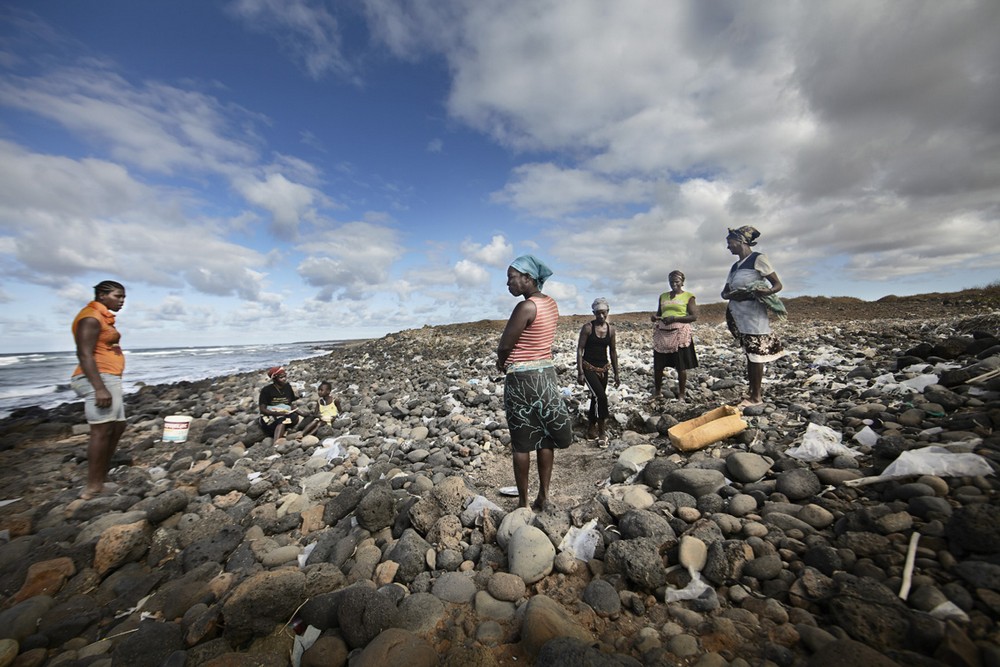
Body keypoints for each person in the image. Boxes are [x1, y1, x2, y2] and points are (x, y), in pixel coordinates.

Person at [497, 255, 573, 511]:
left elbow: (506, 345)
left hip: (522, 380)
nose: (508, 283)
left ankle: (523, 502)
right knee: (545, 438)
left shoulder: (525, 307)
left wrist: (501, 362)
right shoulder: (550, 304)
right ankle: (544, 495)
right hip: (546, 376)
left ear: (527, 278)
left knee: (522, 442)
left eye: (511, 277)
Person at [71, 280, 128, 500]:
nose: (122, 301)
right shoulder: (90, 318)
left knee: (117, 426)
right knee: (102, 431)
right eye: (117, 296)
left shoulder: (103, 318)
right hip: (99, 378)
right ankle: (93, 486)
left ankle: (101, 479)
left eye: (123, 297)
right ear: (102, 296)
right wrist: (99, 388)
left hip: (108, 377)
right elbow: (84, 354)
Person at [721, 226, 785, 407]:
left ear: (740, 241)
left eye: (729, 243)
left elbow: (777, 285)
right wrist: (731, 295)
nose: (728, 247)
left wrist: (765, 292)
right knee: (749, 353)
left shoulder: (758, 259)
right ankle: (751, 392)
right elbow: (724, 292)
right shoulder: (735, 266)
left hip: (754, 314)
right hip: (738, 314)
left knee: (756, 354)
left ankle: (756, 397)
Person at [650, 270, 699, 401]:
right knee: (659, 365)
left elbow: (693, 316)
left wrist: (675, 318)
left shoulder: (689, 296)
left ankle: (681, 394)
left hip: (680, 332)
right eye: (671, 282)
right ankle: (658, 392)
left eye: (677, 281)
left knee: (681, 365)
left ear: (682, 282)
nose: (674, 284)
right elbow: (659, 313)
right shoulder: (663, 296)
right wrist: (655, 317)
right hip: (663, 332)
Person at [576, 297, 620, 443]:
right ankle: (602, 430)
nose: (601, 316)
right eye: (598, 313)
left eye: (603, 313)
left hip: (604, 368)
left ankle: (590, 428)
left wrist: (616, 373)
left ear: (608, 312)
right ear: (594, 313)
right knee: (601, 397)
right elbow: (580, 349)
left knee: (596, 399)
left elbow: (613, 352)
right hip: (589, 368)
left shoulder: (611, 330)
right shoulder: (588, 328)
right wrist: (580, 372)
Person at [258, 366, 318, 441]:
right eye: (281, 377)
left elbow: (290, 404)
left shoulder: (287, 387)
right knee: (282, 420)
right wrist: (278, 413)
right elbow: (262, 409)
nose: (284, 379)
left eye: (285, 376)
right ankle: (276, 444)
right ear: (275, 379)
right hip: (270, 417)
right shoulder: (266, 390)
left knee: (295, 417)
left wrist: (302, 414)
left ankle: (285, 431)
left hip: (284, 414)